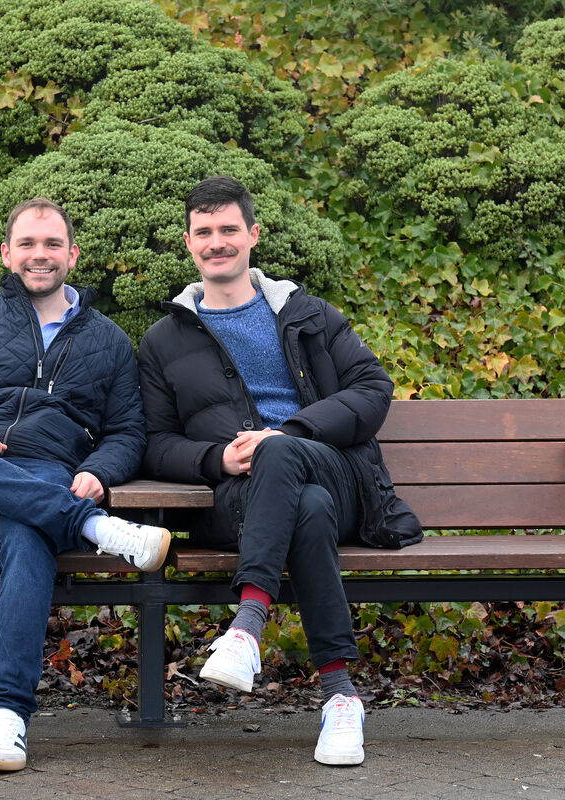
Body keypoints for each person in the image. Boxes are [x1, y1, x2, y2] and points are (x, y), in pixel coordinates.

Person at [136, 176, 422, 766]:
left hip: (336, 474)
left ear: (253, 235)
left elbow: (373, 389)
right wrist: (216, 458)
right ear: (188, 243)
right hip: (233, 501)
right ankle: (342, 697)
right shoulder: (164, 340)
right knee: (306, 511)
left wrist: (287, 434)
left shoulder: (310, 315)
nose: (217, 242)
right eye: (204, 232)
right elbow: (153, 443)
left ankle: (245, 627)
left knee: (286, 458)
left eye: (229, 230)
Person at [0, 198, 171, 774]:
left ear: (72, 254)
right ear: (6, 253)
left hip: (43, 474)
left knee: (26, 527)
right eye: (27, 244)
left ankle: (7, 718)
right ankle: (92, 528)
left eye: (51, 245)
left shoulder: (110, 341)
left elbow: (126, 431)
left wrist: (101, 471)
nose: (38, 256)